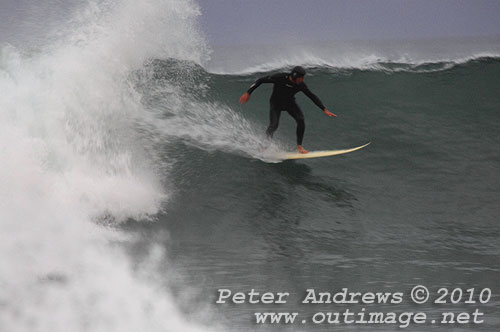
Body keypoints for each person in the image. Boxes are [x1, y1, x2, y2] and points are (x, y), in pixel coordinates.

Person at [239, 66, 336, 154]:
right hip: (276, 104)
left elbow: (311, 96)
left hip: (290, 104)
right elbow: (260, 80)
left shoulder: (301, 84)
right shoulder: (280, 77)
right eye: (301, 77)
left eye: (303, 78)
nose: (302, 80)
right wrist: (248, 93)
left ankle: (299, 146)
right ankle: (265, 145)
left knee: (301, 120)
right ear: (294, 76)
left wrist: (324, 109)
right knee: (273, 126)